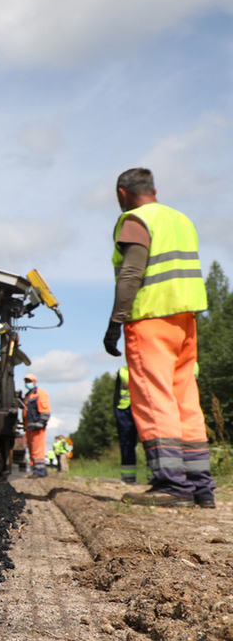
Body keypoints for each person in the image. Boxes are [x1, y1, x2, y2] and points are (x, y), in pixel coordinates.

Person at [104, 167, 215, 508]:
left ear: (122, 193)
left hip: (150, 320)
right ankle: (200, 487)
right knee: (186, 401)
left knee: (154, 399)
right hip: (186, 321)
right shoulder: (181, 220)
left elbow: (133, 273)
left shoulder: (135, 220)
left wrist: (114, 322)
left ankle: (171, 486)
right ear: (154, 188)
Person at [22, 374, 51, 477]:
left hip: (37, 427)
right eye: (26, 381)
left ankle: (39, 472)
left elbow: (45, 410)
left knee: (38, 450)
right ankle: (39, 470)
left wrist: (41, 422)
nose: (27, 383)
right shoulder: (27, 396)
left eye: (29, 381)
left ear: (35, 382)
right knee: (32, 450)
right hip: (29, 427)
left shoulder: (40, 393)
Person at [114, 366, 139, 484]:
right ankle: (128, 477)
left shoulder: (152, 365)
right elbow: (117, 393)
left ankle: (154, 478)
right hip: (124, 410)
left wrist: (132, 384)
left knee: (150, 443)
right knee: (126, 443)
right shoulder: (122, 370)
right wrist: (116, 411)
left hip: (144, 408)